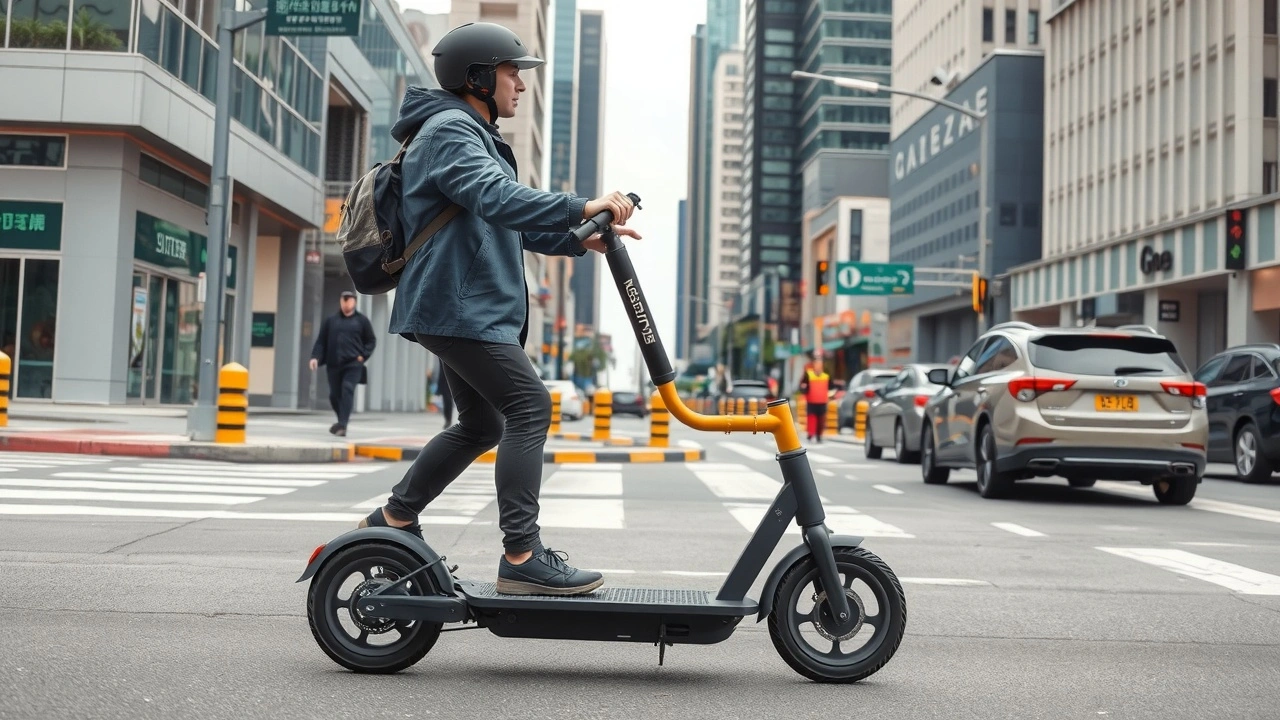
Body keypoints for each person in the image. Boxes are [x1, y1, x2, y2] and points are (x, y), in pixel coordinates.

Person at [357, 22, 640, 597]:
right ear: (479, 78)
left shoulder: (466, 132)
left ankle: (395, 518)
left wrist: (576, 240)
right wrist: (580, 205)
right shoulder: (451, 130)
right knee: (530, 406)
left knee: (483, 424)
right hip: (459, 306)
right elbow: (495, 197)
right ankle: (522, 556)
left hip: (460, 305)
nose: (521, 84)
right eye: (513, 72)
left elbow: (497, 222)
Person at [309, 290, 377, 437]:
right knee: (334, 396)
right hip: (334, 364)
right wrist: (315, 357)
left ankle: (343, 425)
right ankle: (341, 421)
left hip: (353, 364)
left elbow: (371, 340)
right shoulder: (331, 321)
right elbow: (321, 341)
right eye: (344, 300)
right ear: (340, 302)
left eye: (349, 299)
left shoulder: (362, 321)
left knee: (347, 388)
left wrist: (363, 355)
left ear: (355, 302)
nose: (346, 303)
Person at [799, 355, 831, 443]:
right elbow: (802, 385)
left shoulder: (826, 375)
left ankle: (819, 435)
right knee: (811, 418)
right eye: (816, 364)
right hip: (811, 401)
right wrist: (803, 389)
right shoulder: (808, 375)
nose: (818, 366)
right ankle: (811, 434)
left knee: (821, 420)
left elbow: (831, 386)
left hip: (822, 401)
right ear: (814, 365)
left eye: (820, 364)